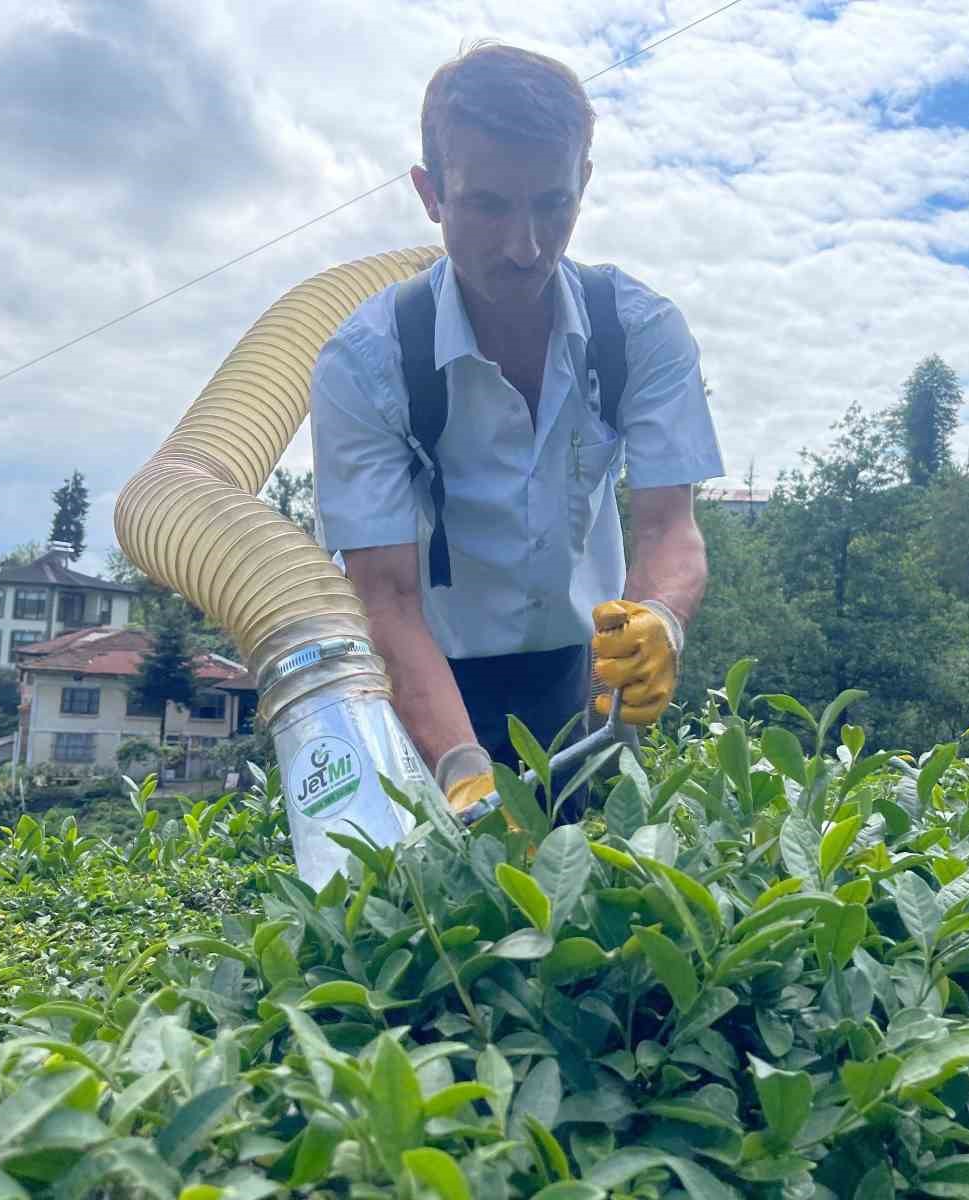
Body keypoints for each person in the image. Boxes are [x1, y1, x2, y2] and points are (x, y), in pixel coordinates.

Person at [309, 41, 724, 819]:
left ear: (584, 185)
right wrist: (463, 768)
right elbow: (387, 596)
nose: (524, 246)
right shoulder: (365, 364)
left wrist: (659, 617)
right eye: (489, 204)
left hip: (578, 674)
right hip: (427, 675)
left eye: (552, 204)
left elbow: (672, 527)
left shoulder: (639, 331)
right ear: (431, 194)